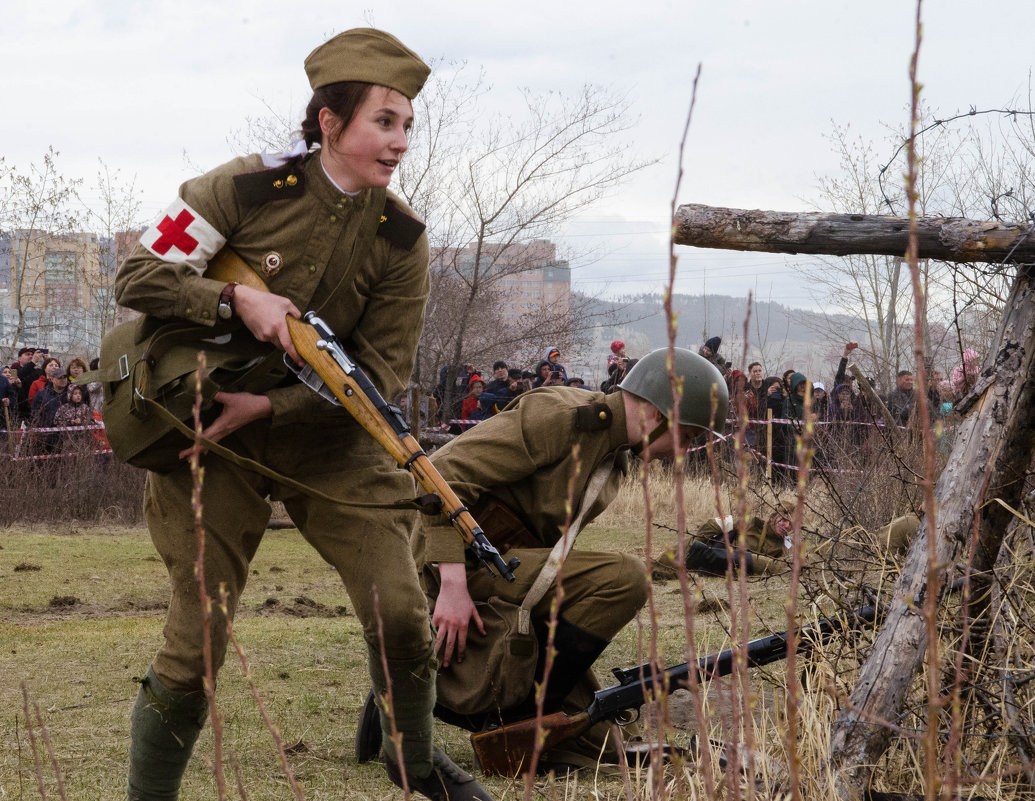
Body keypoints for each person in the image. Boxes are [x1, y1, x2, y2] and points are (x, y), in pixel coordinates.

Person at [113, 29, 492, 801]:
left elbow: (379, 375)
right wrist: (232, 296)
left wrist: (275, 404)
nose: (399, 142)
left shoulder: (401, 239)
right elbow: (138, 273)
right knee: (200, 638)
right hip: (211, 432)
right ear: (328, 121)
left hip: (324, 431)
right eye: (383, 121)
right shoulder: (244, 191)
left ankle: (412, 760)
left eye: (407, 124)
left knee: (400, 610)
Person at [413, 348, 728, 769]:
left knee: (603, 745)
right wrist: (450, 583)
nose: (685, 450)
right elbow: (439, 475)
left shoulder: (612, 455)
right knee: (626, 578)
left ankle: (524, 714)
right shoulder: (562, 415)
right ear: (657, 414)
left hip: (508, 568)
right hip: (452, 564)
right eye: (687, 436)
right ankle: (513, 716)